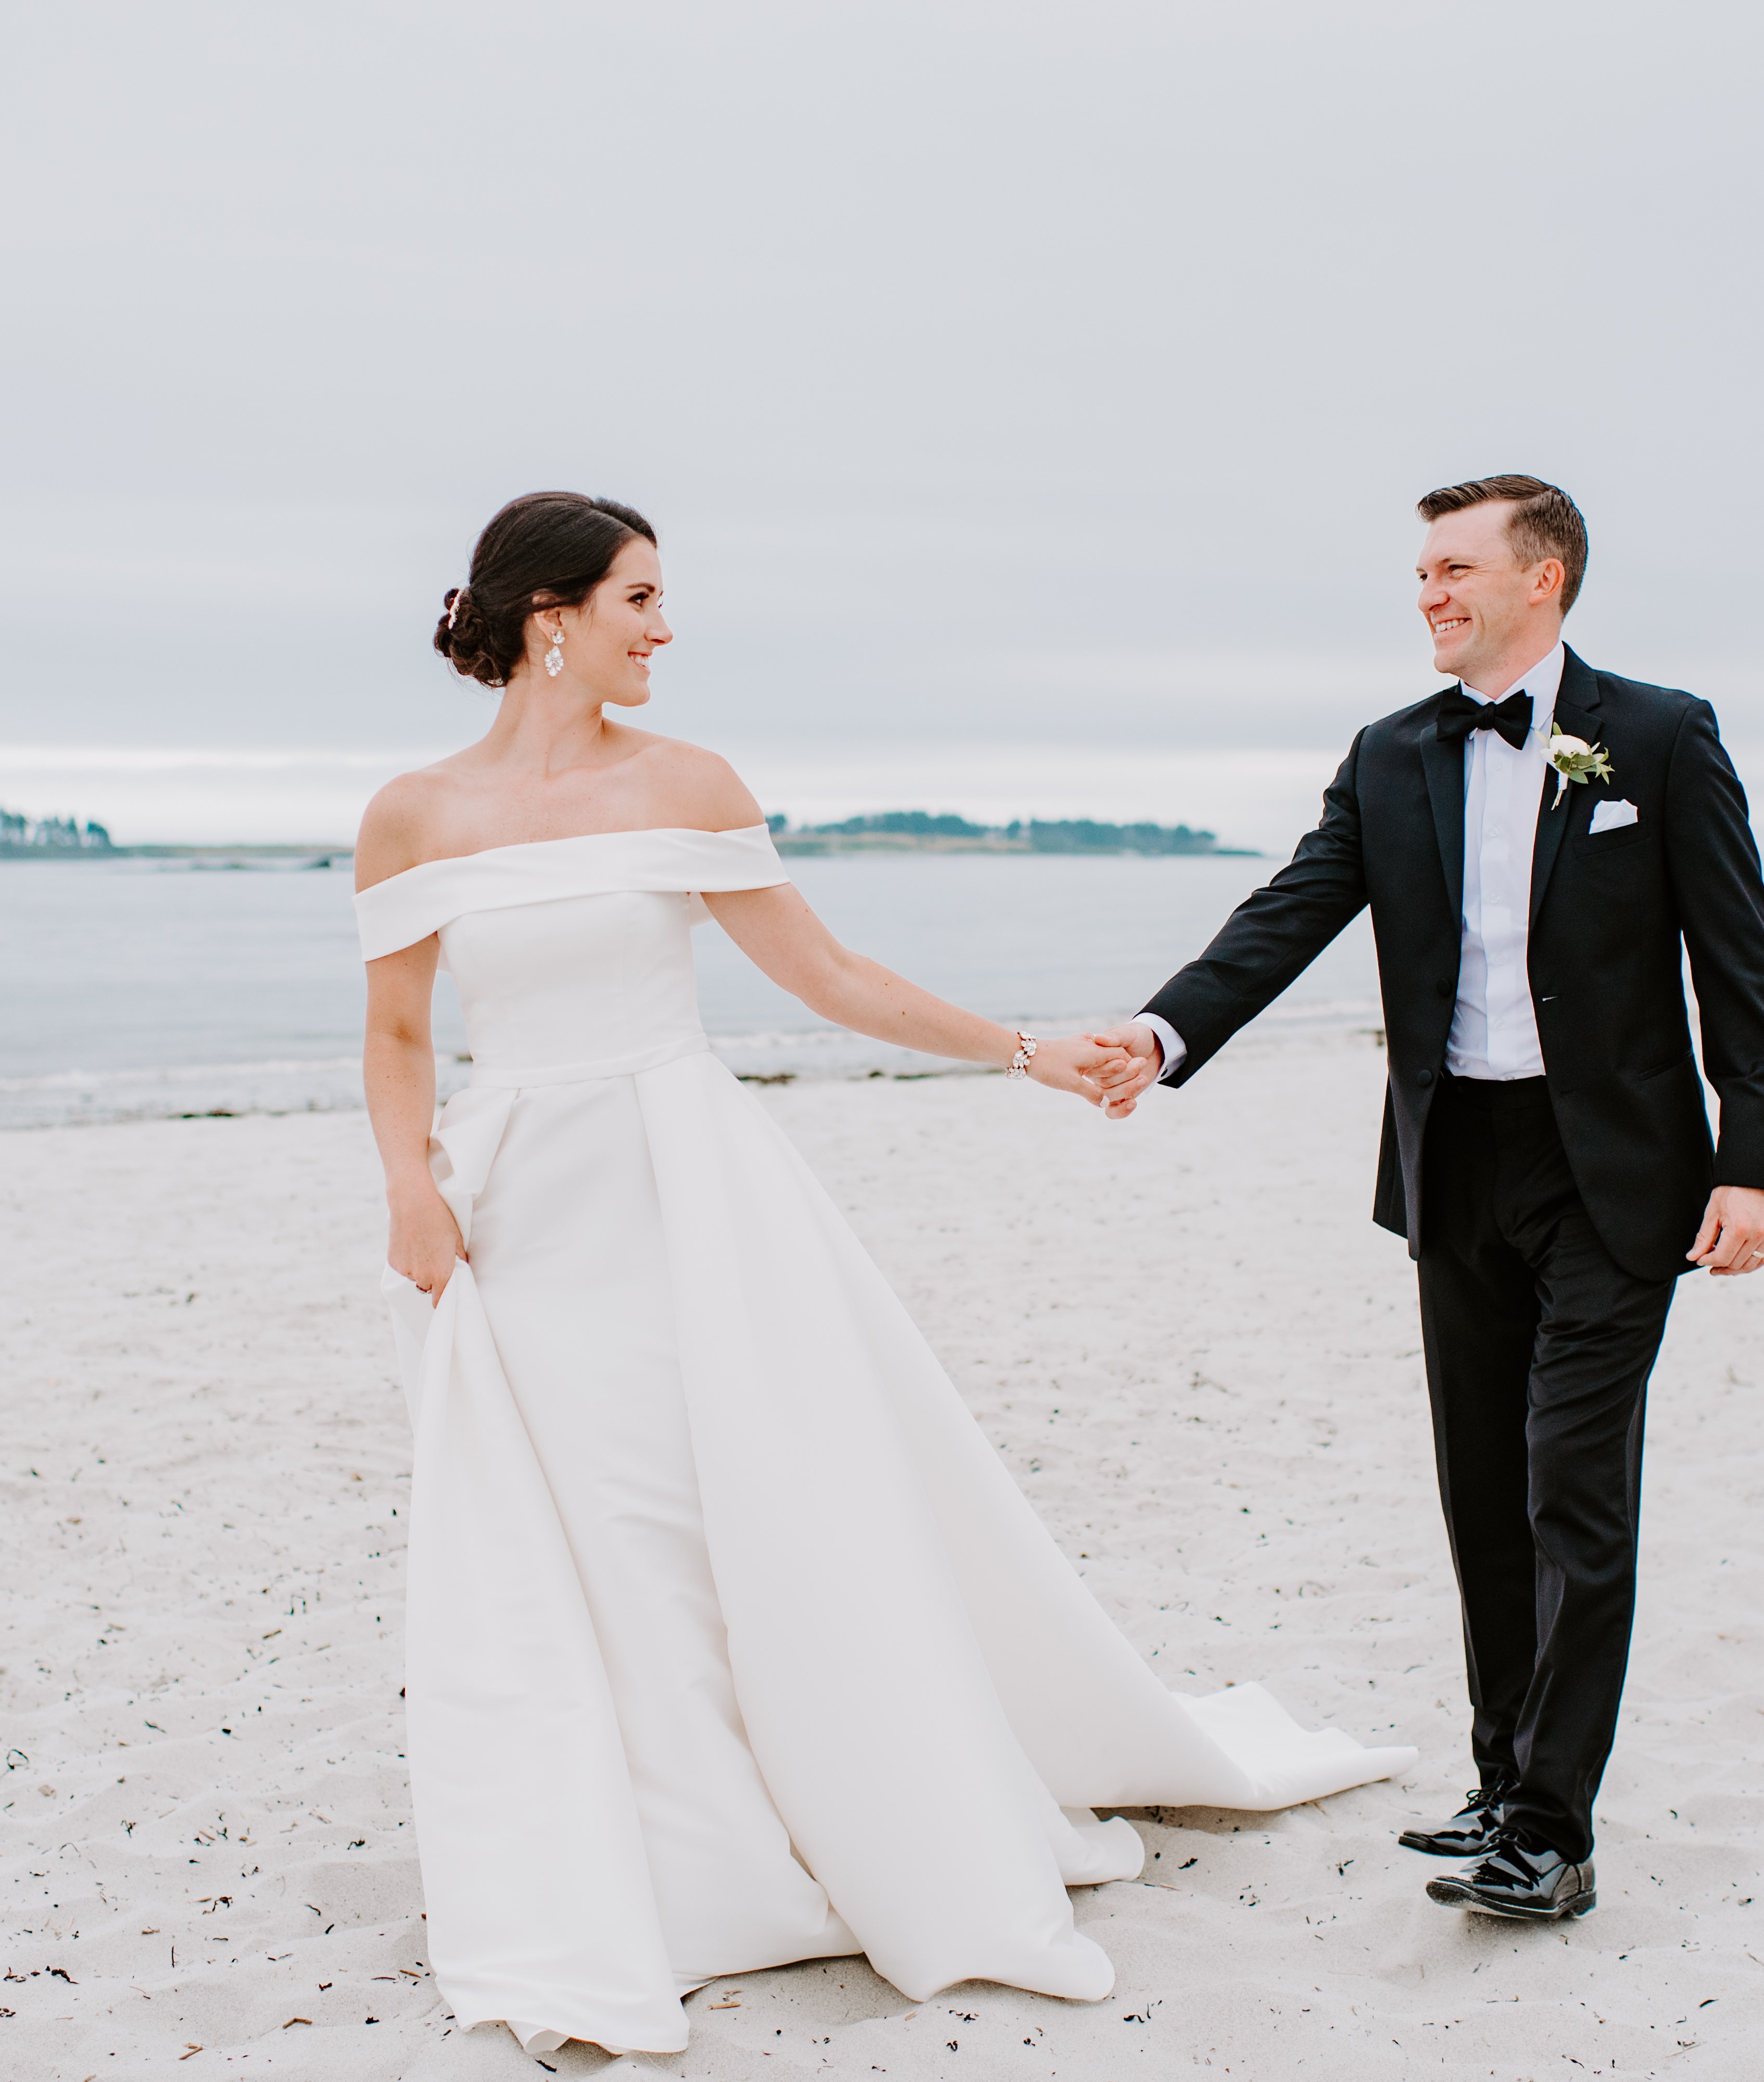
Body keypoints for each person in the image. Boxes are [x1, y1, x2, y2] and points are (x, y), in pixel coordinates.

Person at [355, 490, 1413, 2059]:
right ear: (548, 618)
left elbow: (831, 977)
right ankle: (672, 1857)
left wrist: (1030, 1051)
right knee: (592, 1536)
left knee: (736, 1507)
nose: (663, 627)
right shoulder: (413, 813)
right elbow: (392, 1033)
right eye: (639, 598)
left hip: (686, 1193)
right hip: (517, 1208)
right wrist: (406, 1189)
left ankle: (827, 1819)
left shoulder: (690, 782)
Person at [1091, 475, 1764, 1923]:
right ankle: (1497, 1782)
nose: (1427, 594)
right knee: (1483, 1491)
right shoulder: (1393, 753)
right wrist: (1161, 1037)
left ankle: (1554, 1830)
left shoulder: (1656, 735)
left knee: (1572, 1494)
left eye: (1453, 569)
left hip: (1616, 1173)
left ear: (1542, 580)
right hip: (1451, 1161)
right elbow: (1291, 911)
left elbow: (1740, 955)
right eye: (1420, 572)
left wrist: (1758, 1159)